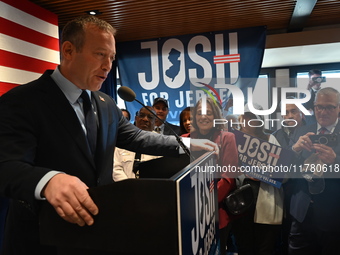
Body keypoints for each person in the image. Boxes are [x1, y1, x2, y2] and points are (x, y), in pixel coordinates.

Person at [0, 15, 219, 255]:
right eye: (100, 54)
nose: (108, 65)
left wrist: (188, 143)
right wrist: (48, 180)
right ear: (69, 50)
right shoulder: (22, 101)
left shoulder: (105, 103)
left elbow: (137, 138)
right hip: (42, 239)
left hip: (98, 232)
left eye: (112, 57)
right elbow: (7, 165)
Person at [289, 87, 340, 255]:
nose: (323, 111)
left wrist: (335, 161)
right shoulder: (300, 131)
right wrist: (295, 150)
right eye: (319, 106)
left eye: (329, 107)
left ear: (338, 107)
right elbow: (285, 168)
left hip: (334, 216)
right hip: (302, 213)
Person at [232, 103, 284, 255]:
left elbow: (283, 172)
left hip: (266, 200)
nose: (248, 120)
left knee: (265, 247)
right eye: (246, 116)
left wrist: (264, 173)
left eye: (253, 117)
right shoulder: (232, 138)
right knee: (244, 246)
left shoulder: (270, 138)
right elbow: (225, 168)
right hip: (240, 200)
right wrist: (243, 172)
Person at [190, 97, 239, 254]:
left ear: (216, 116)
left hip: (216, 212)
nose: (203, 116)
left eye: (208, 113)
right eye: (199, 113)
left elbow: (228, 177)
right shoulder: (185, 139)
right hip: (189, 214)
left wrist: (205, 202)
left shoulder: (227, 138)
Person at [113, 106, 161, 181]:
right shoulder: (123, 139)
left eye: (150, 117)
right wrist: (129, 186)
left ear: (155, 121)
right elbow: (115, 167)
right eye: (141, 115)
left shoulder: (160, 142)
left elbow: (162, 170)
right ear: (136, 118)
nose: (145, 119)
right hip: (124, 188)